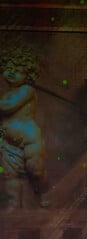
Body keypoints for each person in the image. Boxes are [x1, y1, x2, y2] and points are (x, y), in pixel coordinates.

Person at [0, 46, 48, 210]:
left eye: (18, 70)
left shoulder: (27, 90)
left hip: (30, 139)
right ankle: (13, 205)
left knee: (35, 170)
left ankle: (44, 194)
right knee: (10, 175)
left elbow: (8, 107)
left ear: (28, 75)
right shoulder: (6, 93)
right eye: (9, 68)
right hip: (8, 142)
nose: (12, 73)